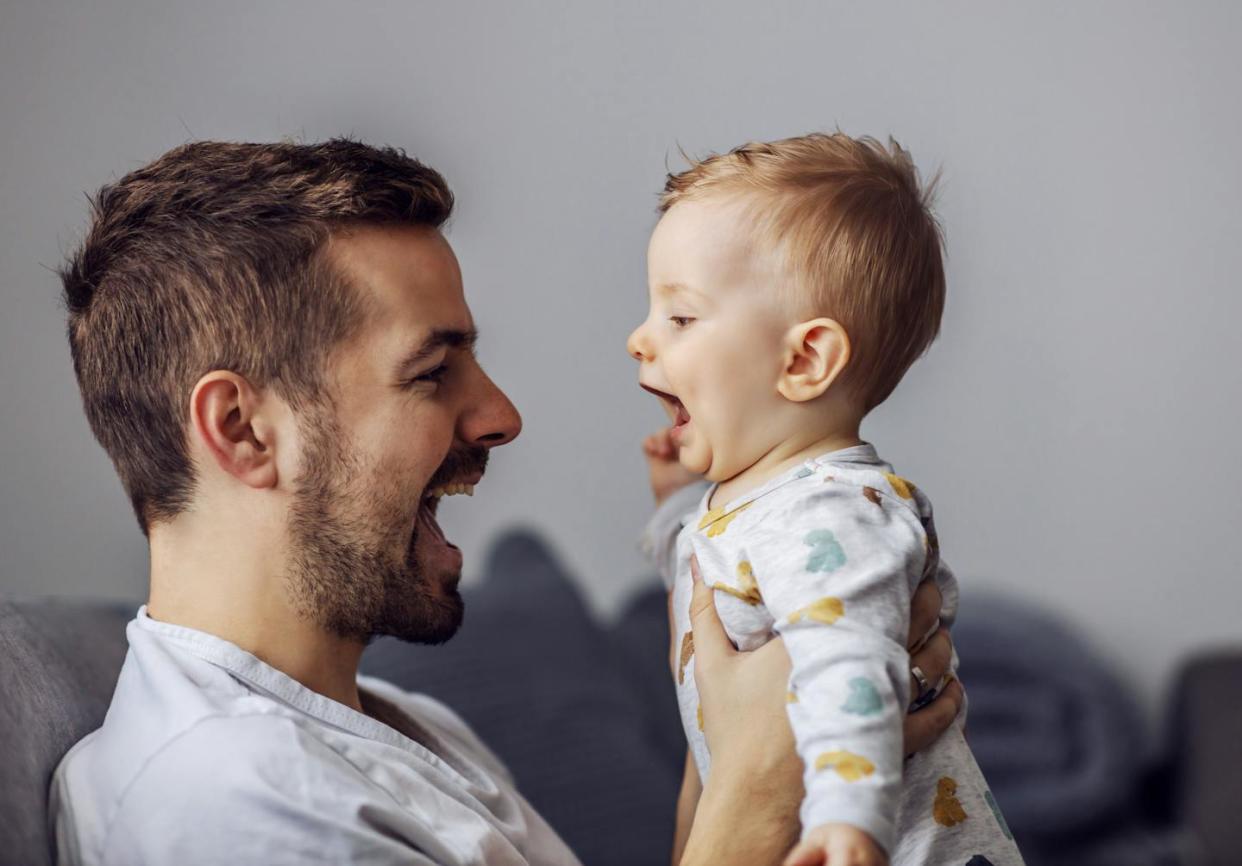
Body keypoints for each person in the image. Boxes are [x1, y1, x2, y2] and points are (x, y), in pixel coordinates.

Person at [48, 138, 963, 866]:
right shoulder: (232, 808)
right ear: (243, 430)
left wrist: (735, 732)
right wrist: (762, 788)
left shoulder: (410, 729)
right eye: (432, 371)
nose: (501, 416)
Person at [628, 133, 1021, 866]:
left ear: (804, 359)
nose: (638, 340)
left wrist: (850, 821)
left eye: (679, 318)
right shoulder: (764, 504)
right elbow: (723, 595)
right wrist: (676, 513)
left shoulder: (836, 513)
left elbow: (850, 665)